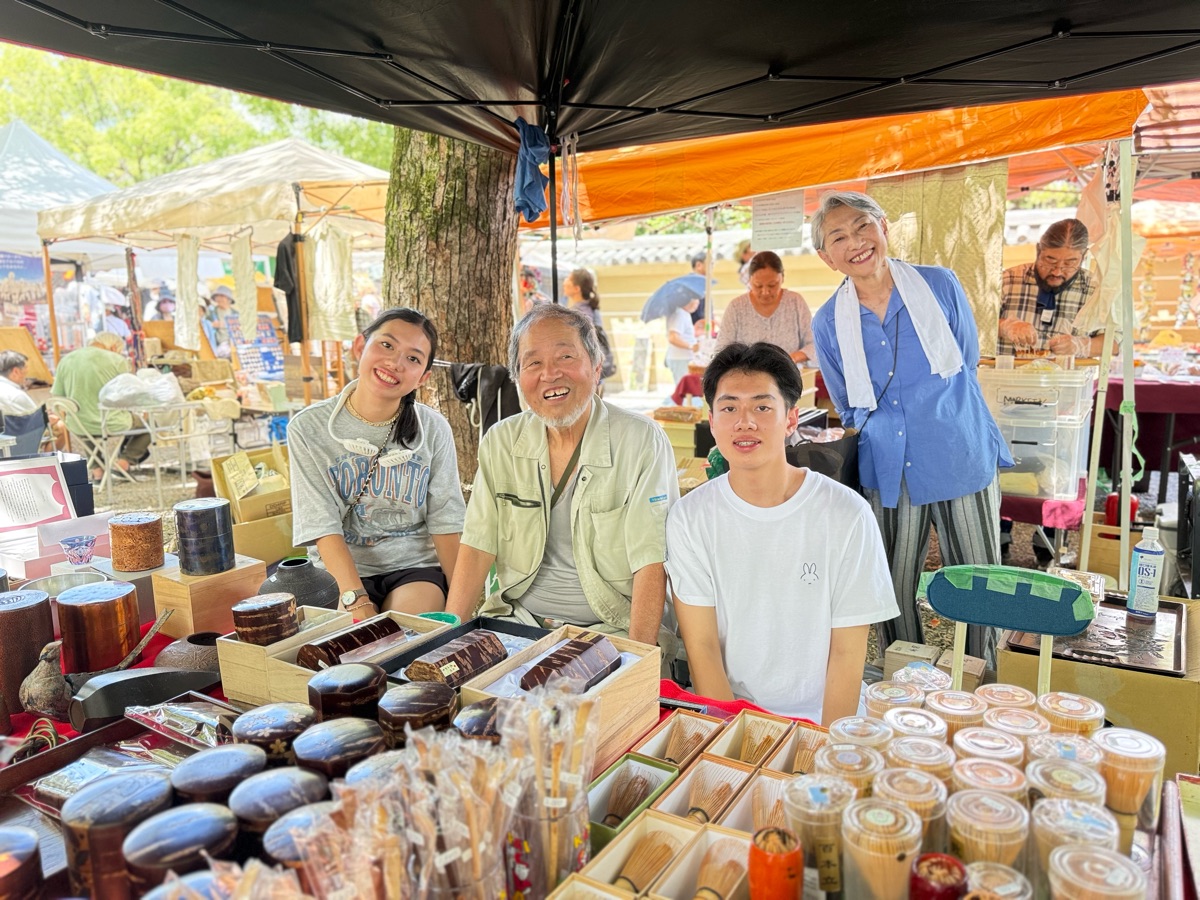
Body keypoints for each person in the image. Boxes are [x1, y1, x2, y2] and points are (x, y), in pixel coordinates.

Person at [809, 191, 1013, 664]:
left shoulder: (939, 285)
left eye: (863, 227)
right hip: (887, 467)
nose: (855, 243)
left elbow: (964, 361)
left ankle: (983, 679)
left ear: (884, 227)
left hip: (957, 449)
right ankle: (906, 680)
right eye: (838, 237)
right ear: (826, 257)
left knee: (977, 581)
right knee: (890, 587)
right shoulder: (827, 321)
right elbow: (846, 403)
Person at [667, 342, 898, 724]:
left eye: (762, 406)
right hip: (731, 714)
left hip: (825, 717)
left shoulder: (846, 514)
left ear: (791, 419)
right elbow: (702, 647)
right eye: (729, 408)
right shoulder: (690, 517)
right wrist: (734, 744)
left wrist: (822, 747)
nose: (745, 422)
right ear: (712, 420)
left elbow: (847, 652)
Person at [444, 303, 679, 653]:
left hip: (610, 631)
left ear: (596, 367)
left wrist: (635, 661)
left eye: (565, 357)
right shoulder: (500, 442)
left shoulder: (641, 440)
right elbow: (478, 545)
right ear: (518, 377)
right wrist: (446, 641)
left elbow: (652, 560)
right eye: (533, 363)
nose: (549, 374)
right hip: (517, 623)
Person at [287, 308, 464, 617]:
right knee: (360, 646)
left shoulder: (433, 430)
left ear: (423, 377)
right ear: (360, 346)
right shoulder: (308, 428)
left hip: (414, 570)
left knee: (406, 636)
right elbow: (322, 524)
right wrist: (357, 601)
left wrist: (462, 607)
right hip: (338, 573)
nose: (395, 363)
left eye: (413, 358)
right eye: (386, 345)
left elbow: (445, 520)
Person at [998, 218, 1102, 357]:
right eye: (1050, 260)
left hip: (1069, 378)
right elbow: (973, 324)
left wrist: (1081, 345)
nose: (1057, 272)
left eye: (1069, 263)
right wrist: (1005, 326)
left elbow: (1116, 341)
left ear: (1083, 257)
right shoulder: (1006, 280)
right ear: (1038, 250)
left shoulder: (1096, 289)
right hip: (1008, 377)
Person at [51, 332, 150, 478]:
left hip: (78, 426)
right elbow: (129, 394)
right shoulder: (117, 360)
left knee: (83, 422)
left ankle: (97, 471)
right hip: (112, 423)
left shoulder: (66, 360)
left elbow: (57, 395)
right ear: (114, 346)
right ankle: (122, 464)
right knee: (150, 424)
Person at [716, 251, 814, 365]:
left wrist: (791, 359)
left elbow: (814, 344)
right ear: (749, 280)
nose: (765, 292)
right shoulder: (736, 307)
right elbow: (722, 350)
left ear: (782, 278)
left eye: (772, 285)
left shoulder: (795, 302)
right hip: (747, 379)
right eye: (758, 285)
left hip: (789, 376)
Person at [665, 297, 701, 387]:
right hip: (681, 358)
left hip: (683, 358)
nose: (698, 304)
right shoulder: (679, 314)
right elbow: (673, 338)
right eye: (696, 301)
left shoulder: (684, 314)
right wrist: (691, 346)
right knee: (685, 391)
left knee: (687, 391)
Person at [0, 350, 38, 416]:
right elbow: (37, 421)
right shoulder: (16, 396)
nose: (27, 372)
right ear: (16, 371)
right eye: (25, 368)